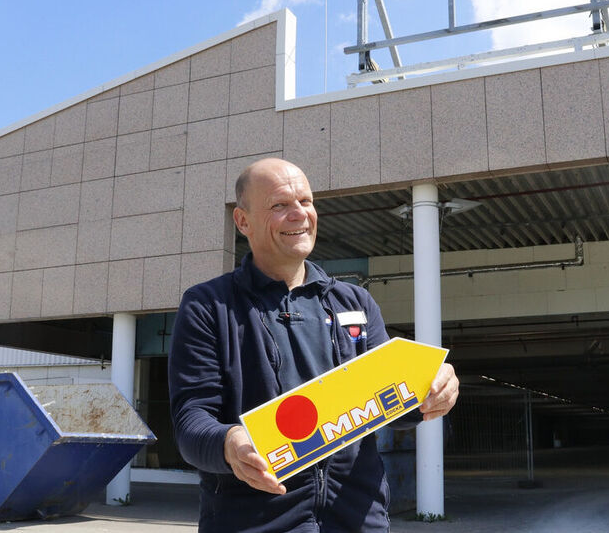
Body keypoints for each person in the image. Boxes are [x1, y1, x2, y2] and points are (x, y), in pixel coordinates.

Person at [168, 157, 459, 532]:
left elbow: (393, 405)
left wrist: (429, 389)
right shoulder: (209, 307)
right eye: (280, 205)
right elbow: (191, 420)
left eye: (305, 202)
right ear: (243, 222)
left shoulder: (354, 302)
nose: (299, 215)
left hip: (357, 519)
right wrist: (229, 443)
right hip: (254, 522)